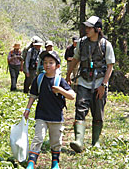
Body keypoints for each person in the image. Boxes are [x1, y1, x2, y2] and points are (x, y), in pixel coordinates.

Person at [66, 16, 115, 153]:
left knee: (98, 112)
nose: (86, 30)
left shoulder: (106, 45)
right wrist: (68, 75)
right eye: (86, 27)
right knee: (80, 109)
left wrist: (103, 85)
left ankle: (96, 142)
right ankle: (79, 141)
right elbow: (75, 59)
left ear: (97, 29)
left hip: (99, 83)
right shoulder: (81, 43)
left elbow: (110, 66)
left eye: (89, 27)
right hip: (83, 81)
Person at [23, 50, 76, 169]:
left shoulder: (60, 80)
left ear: (57, 66)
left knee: (56, 141)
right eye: (45, 62)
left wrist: (60, 90)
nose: (47, 65)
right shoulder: (39, 78)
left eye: (50, 62)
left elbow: (72, 96)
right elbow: (33, 95)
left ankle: (55, 162)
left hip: (56, 116)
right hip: (41, 114)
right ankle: (31, 163)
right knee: (38, 138)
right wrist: (27, 109)